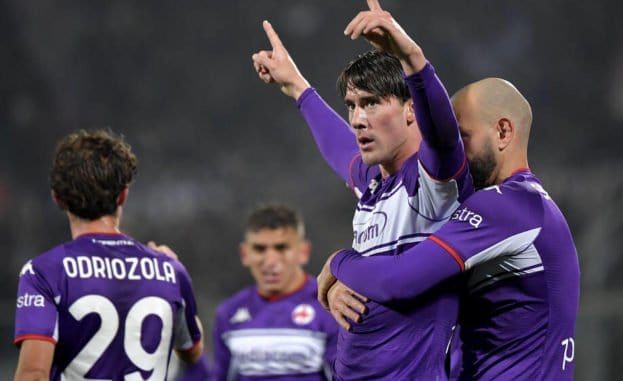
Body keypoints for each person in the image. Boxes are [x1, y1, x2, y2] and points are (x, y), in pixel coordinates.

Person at [251, 0, 473, 378]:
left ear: (410, 110)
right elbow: (338, 145)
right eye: (352, 106)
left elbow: (442, 131)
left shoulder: (432, 184)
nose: (357, 119)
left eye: (370, 104)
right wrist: (296, 86)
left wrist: (410, 56)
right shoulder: (374, 185)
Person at [319, 77, 581, 380]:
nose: (455, 152)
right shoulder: (519, 205)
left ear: (503, 131)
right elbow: (356, 167)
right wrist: (300, 90)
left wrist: (339, 262)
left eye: (462, 137)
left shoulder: (507, 205)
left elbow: (399, 279)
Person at [13, 129, 204, 380]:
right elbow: (192, 352)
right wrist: (179, 279)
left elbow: (34, 375)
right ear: (123, 194)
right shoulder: (171, 271)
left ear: (57, 199)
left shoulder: (43, 272)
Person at [212, 204, 338, 380]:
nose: (270, 261)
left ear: (303, 252)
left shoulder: (330, 307)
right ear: (244, 253)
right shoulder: (228, 314)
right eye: (259, 249)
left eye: (281, 248)